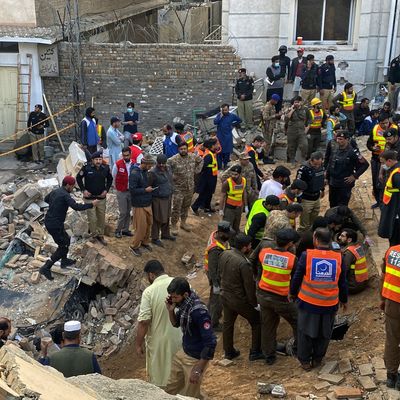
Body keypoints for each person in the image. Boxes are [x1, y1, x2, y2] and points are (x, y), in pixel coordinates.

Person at [290, 228, 348, 370]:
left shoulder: (307, 255)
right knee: (325, 332)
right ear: (331, 241)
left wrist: (292, 293)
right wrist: (344, 299)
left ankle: (304, 361)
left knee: (305, 331)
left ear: (315, 239)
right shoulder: (339, 257)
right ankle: (317, 359)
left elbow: (297, 277)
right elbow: (342, 282)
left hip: (308, 303)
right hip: (330, 303)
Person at [165, 277, 217, 400]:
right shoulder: (184, 305)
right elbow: (175, 323)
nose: (173, 300)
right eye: (171, 297)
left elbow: (211, 343)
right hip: (183, 352)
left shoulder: (199, 312)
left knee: (189, 396)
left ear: (185, 294)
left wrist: (198, 369)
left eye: (175, 297)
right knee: (169, 389)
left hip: (195, 359)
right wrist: (170, 310)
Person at [39, 176, 97, 280]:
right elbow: (76, 207)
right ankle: (46, 267)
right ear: (68, 185)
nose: (73, 188)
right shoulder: (65, 195)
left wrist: (56, 206)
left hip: (52, 222)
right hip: (54, 225)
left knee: (67, 239)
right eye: (73, 186)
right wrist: (91, 205)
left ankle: (64, 261)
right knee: (63, 246)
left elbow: (46, 199)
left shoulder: (56, 191)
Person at [256, 228, 300, 365]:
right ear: (290, 244)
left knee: (268, 326)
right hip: (282, 299)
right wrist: (293, 295)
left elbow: (259, 270)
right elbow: (295, 280)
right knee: (299, 322)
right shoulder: (292, 259)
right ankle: (299, 350)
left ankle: (269, 356)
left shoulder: (264, 253)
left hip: (263, 296)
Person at [136, 260, 182, 387]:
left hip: (159, 344)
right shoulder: (180, 284)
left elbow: (144, 322)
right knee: (179, 377)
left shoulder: (149, 292)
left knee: (160, 380)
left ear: (151, 275)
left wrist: (138, 344)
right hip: (182, 339)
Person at [219, 233, 263, 361]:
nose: (250, 248)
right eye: (249, 246)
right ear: (244, 248)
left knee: (228, 324)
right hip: (239, 299)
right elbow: (249, 288)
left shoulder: (224, 253)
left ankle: (228, 351)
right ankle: (255, 351)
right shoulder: (244, 263)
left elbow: (218, 273)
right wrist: (255, 304)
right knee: (257, 321)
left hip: (225, 295)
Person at [76, 151, 113, 246]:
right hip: (90, 198)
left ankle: (100, 235)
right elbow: (78, 178)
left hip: (101, 198)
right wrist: (83, 190)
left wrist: (106, 190)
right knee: (92, 218)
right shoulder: (86, 168)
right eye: (96, 159)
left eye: (100, 159)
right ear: (92, 160)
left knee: (101, 217)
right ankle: (93, 235)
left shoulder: (106, 168)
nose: (98, 161)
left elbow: (110, 179)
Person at [324, 131, 369, 207]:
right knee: (332, 204)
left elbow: (365, 165)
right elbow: (330, 164)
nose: (338, 141)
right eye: (337, 139)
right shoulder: (334, 150)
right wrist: (326, 177)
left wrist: (355, 176)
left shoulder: (353, 152)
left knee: (342, 206)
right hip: (333, 183)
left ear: (347, 139)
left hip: (344, 184)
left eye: (341, 139)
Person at [168, 142, 203, 235]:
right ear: (178, 149)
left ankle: (183, 222)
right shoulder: (173, 160)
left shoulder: (192, 156)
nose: (183, 150)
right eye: (181, 149)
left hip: (189, 187)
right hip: (178, 189)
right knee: (176, 207)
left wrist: (197, 170)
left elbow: (201, 160)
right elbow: (166, 168)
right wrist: (171, 177)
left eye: (185, 148)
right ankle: (174, 224)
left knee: (186, 206)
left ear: (187, 149)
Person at [204, 221, 233, 331]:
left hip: (217, 273)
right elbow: (213, 268)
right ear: (221, 233)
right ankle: (213, 323)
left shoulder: (217, 236)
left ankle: (210, 315)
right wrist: (216, 284)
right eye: (227, 234)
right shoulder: (215, 249)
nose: (229, 235)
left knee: (214, 299)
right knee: (217, 300)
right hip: (215, 276)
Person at [381, 242, 400, 389]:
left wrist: (383, 299)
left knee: (392, 339)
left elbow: (384, 276)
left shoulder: (392, 251)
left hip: (392, 303)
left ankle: (391, 376)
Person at [128, 154, 156, 256]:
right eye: (149, 165)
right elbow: (132, 190)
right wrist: (145, 190)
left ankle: (145, 242)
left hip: (147, 203)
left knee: (149, 224)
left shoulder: (145, 172)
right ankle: (134, 246)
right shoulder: (135, 174)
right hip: (139, 205)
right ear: (144, 163)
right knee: (141, 227)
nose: (151, 168)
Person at [148, 154, 174, 247]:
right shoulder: (153, 172)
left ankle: (165, 234)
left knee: (167, 216)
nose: (162, 165)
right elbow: (149, 186)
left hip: (168, 196)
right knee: (157, 218)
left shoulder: (168, 169)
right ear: (157, 163)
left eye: (163, 163)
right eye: (160, 163)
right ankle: (154, 237)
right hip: (158, 199)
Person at [296, 152, 325, 231]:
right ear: (311, 161)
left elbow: (321, 179)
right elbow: (297, 184)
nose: (317, 166)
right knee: (304, 225)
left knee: (313, 223)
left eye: (319, 164)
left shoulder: (321, 166)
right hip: (306, 199)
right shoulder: (304, 169)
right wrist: (299, 198)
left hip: (316, 197)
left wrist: (322, 190)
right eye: (315, 164)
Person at [367, 114, 390, 207]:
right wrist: (373, 148)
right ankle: (378, 201)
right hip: (376, 159)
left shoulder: (395, 129)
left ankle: (385, 202)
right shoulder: (375, 129)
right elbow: (369, 143)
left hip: (389, 162)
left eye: (386, 123)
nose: (384, 125)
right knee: (376, 180)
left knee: (386, 181)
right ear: (378, 122)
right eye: (382, 123)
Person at [379, 150, 400, 246]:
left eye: (383, 162)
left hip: (395, 209)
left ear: (390, 161)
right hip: (392, 206)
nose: (382, 165)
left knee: (394, 235)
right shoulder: (393, 170)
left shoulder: (396, 175)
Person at [192, 139, 218, 215]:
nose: (217, 146)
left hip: (212, 176)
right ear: (212, 146)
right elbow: (203, 167)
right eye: (216, 144)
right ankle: (195, 207)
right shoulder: (209, 156)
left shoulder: (211, 153)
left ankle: (207, 207)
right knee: (204, 194)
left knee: (209, 193)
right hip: (208, 177)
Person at [338, 229, 369, 294]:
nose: (339, 237)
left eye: (342, 236)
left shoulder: (349, 252)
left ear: (349, 240)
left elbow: (344, 270)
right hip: (363, 283)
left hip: (353, 286)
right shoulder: (358, 248)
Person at [112, 147, 133, 238]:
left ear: (130, 154)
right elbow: (114, 176)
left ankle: (125, 230)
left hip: (130, 191)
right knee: (123, 212)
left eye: (127, 155)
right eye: (124, 155)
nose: (126, 157)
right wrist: (117, 188)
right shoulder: (117, 164)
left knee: (128, 212)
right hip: (121, 191)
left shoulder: (134, 164)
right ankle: (118, 230)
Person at [220, 165, 248, 232]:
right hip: (229, 209)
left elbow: (244, 193)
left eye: (235, 174)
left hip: (239, 208)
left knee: (236, 227)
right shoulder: (227, 183)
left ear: (240, 174)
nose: (233, 176)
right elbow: (222, 196)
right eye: (232, 174)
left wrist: (246, 206)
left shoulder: (243, 181)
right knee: (227, 227)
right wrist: (221, 209)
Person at [213, 104, 242, 169]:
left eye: (226, 110)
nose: (225, 111)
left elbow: (239, 120)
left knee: (227, 152)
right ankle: (219, 167)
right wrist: (220, 115)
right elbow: (215, 122)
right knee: (219, 152)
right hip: (220, 137)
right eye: (223, 110)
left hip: (228, 137)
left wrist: (232, 124)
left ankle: (225, 165)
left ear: (228, 109)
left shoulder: (232, 116)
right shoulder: (219, 115)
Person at [285, 96, 308, 164]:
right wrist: (292, 110)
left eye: (298, 102)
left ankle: (303, 159)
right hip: (292, 131)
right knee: (291, 146)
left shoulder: (305, 109)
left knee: (304, 145)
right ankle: (292, 160)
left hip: (301, 131)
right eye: (295, 102)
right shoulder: (289, 109)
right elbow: (286, 119)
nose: (297, 103)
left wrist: (307, 129)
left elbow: (309, 120)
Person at [261, 94, 281, 162]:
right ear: (272, 100)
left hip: (271, 127)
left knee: (269, 143)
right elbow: (265, 117)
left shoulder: (273, 106)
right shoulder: (267, 107)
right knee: (267, 143)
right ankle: (265, 157)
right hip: (266, 128)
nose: (276, 102)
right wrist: (275, 116)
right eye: (276, 101)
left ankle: (266, 156)